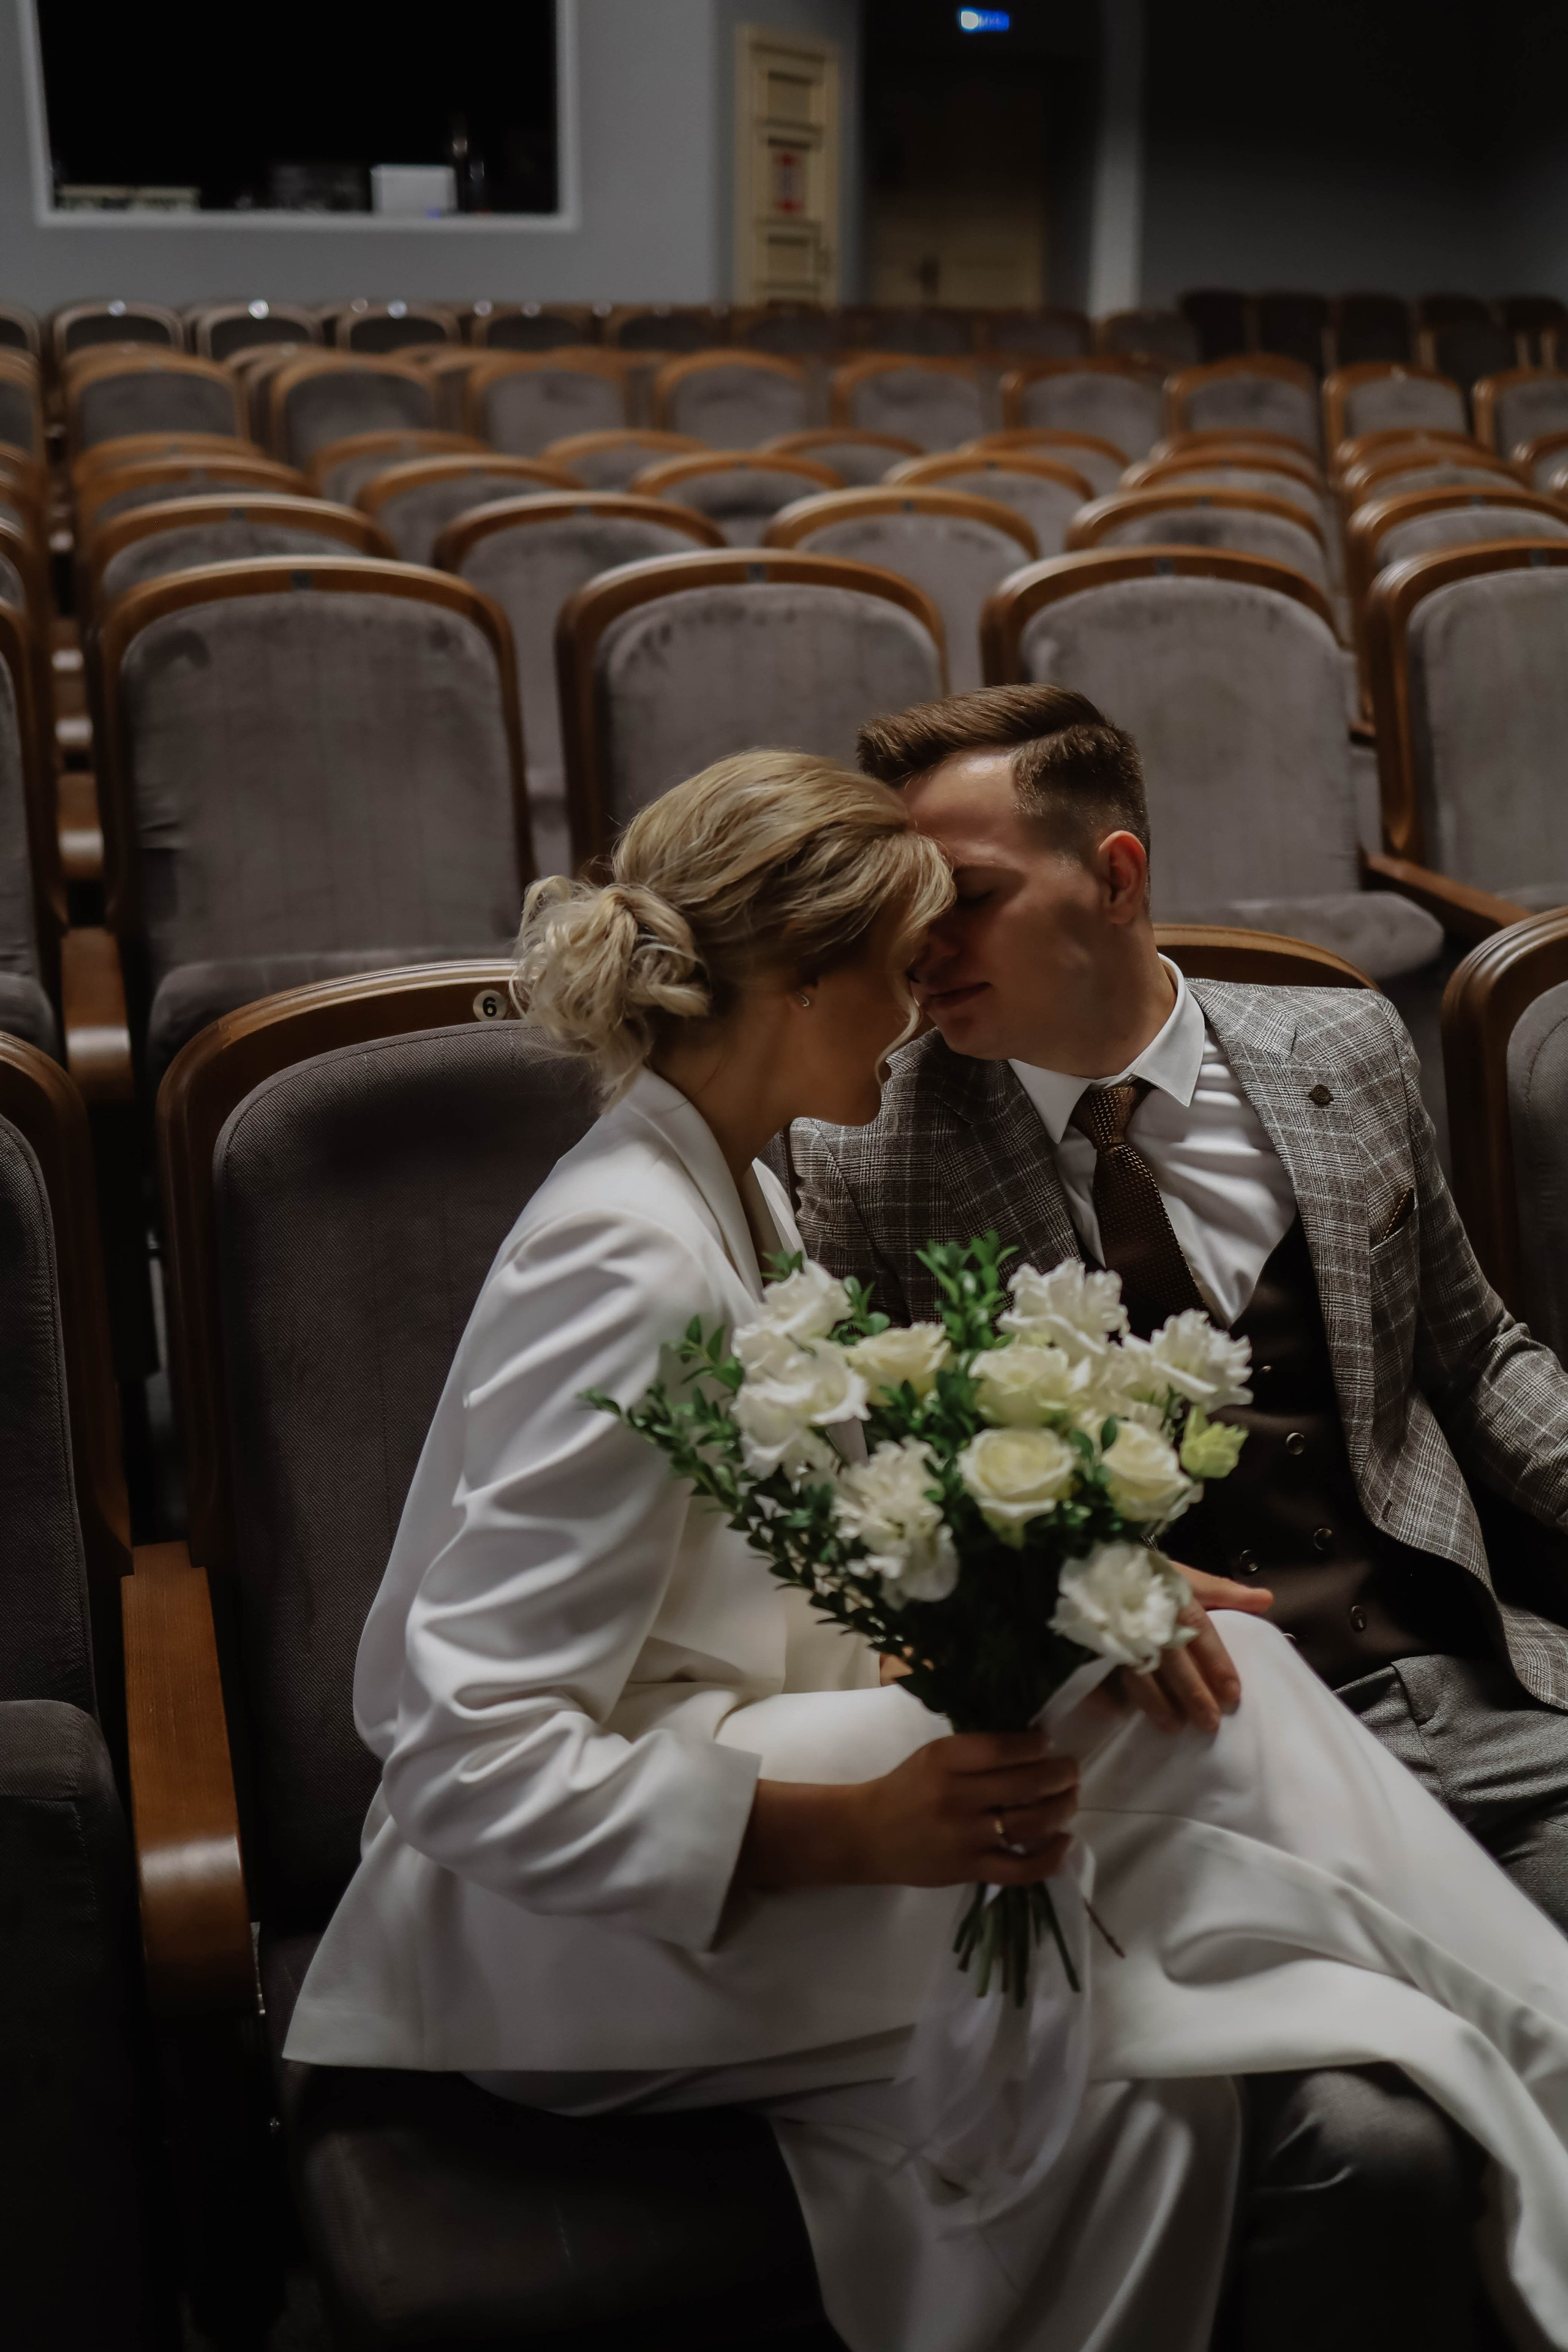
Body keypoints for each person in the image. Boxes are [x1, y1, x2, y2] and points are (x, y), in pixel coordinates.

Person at [285, 748, 1568, 2352]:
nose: (917, 1006)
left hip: (702, 1783)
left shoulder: (725, 1176)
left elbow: (769, 1572)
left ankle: (1524, 2068)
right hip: (567, 1940)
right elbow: (455, 1755)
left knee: (1159, 1848)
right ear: (807, 974)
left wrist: (1074, 1595)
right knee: (1226, 1727)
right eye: (895, 964)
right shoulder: (628, 1260)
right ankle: (1547, 2058)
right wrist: (860, 1832)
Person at [786, 684, 1568, 1929]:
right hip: (1190, 1752)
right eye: (900, 908)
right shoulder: (867, 1149)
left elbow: (1470, 1358)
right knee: (1381, 2116)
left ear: (1113, 874)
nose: (919, 945)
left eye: (965, 897)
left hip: (1472, 1683)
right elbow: (870, 1498)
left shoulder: (1345, 1043)